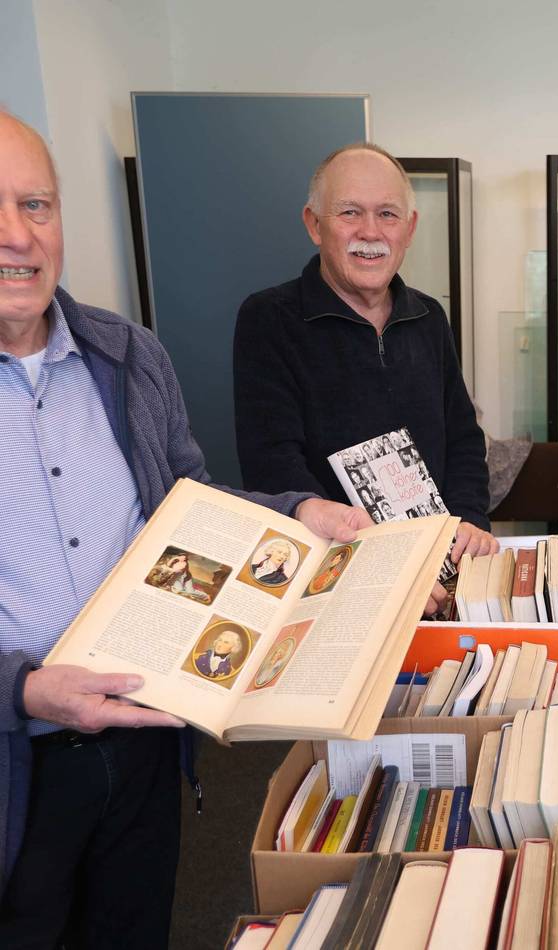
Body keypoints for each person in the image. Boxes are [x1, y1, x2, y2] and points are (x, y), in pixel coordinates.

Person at [0, 111, 373, 948]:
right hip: (14, 762)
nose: (16, 238)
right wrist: (24, 690)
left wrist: (293, 512)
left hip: (144, 739)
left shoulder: (128, 355)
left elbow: (189, 505)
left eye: (36, 205)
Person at [233, 143, 499, 572]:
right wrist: (367, 562)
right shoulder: (269, 319)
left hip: (437, 561)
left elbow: (463, 438)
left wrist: (468, 520)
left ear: (409, 228)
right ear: (314, 224)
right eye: (350, 212)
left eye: (387, 214)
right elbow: (272, 463)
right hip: (337, 565)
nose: (371, 232)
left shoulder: (430, 316)